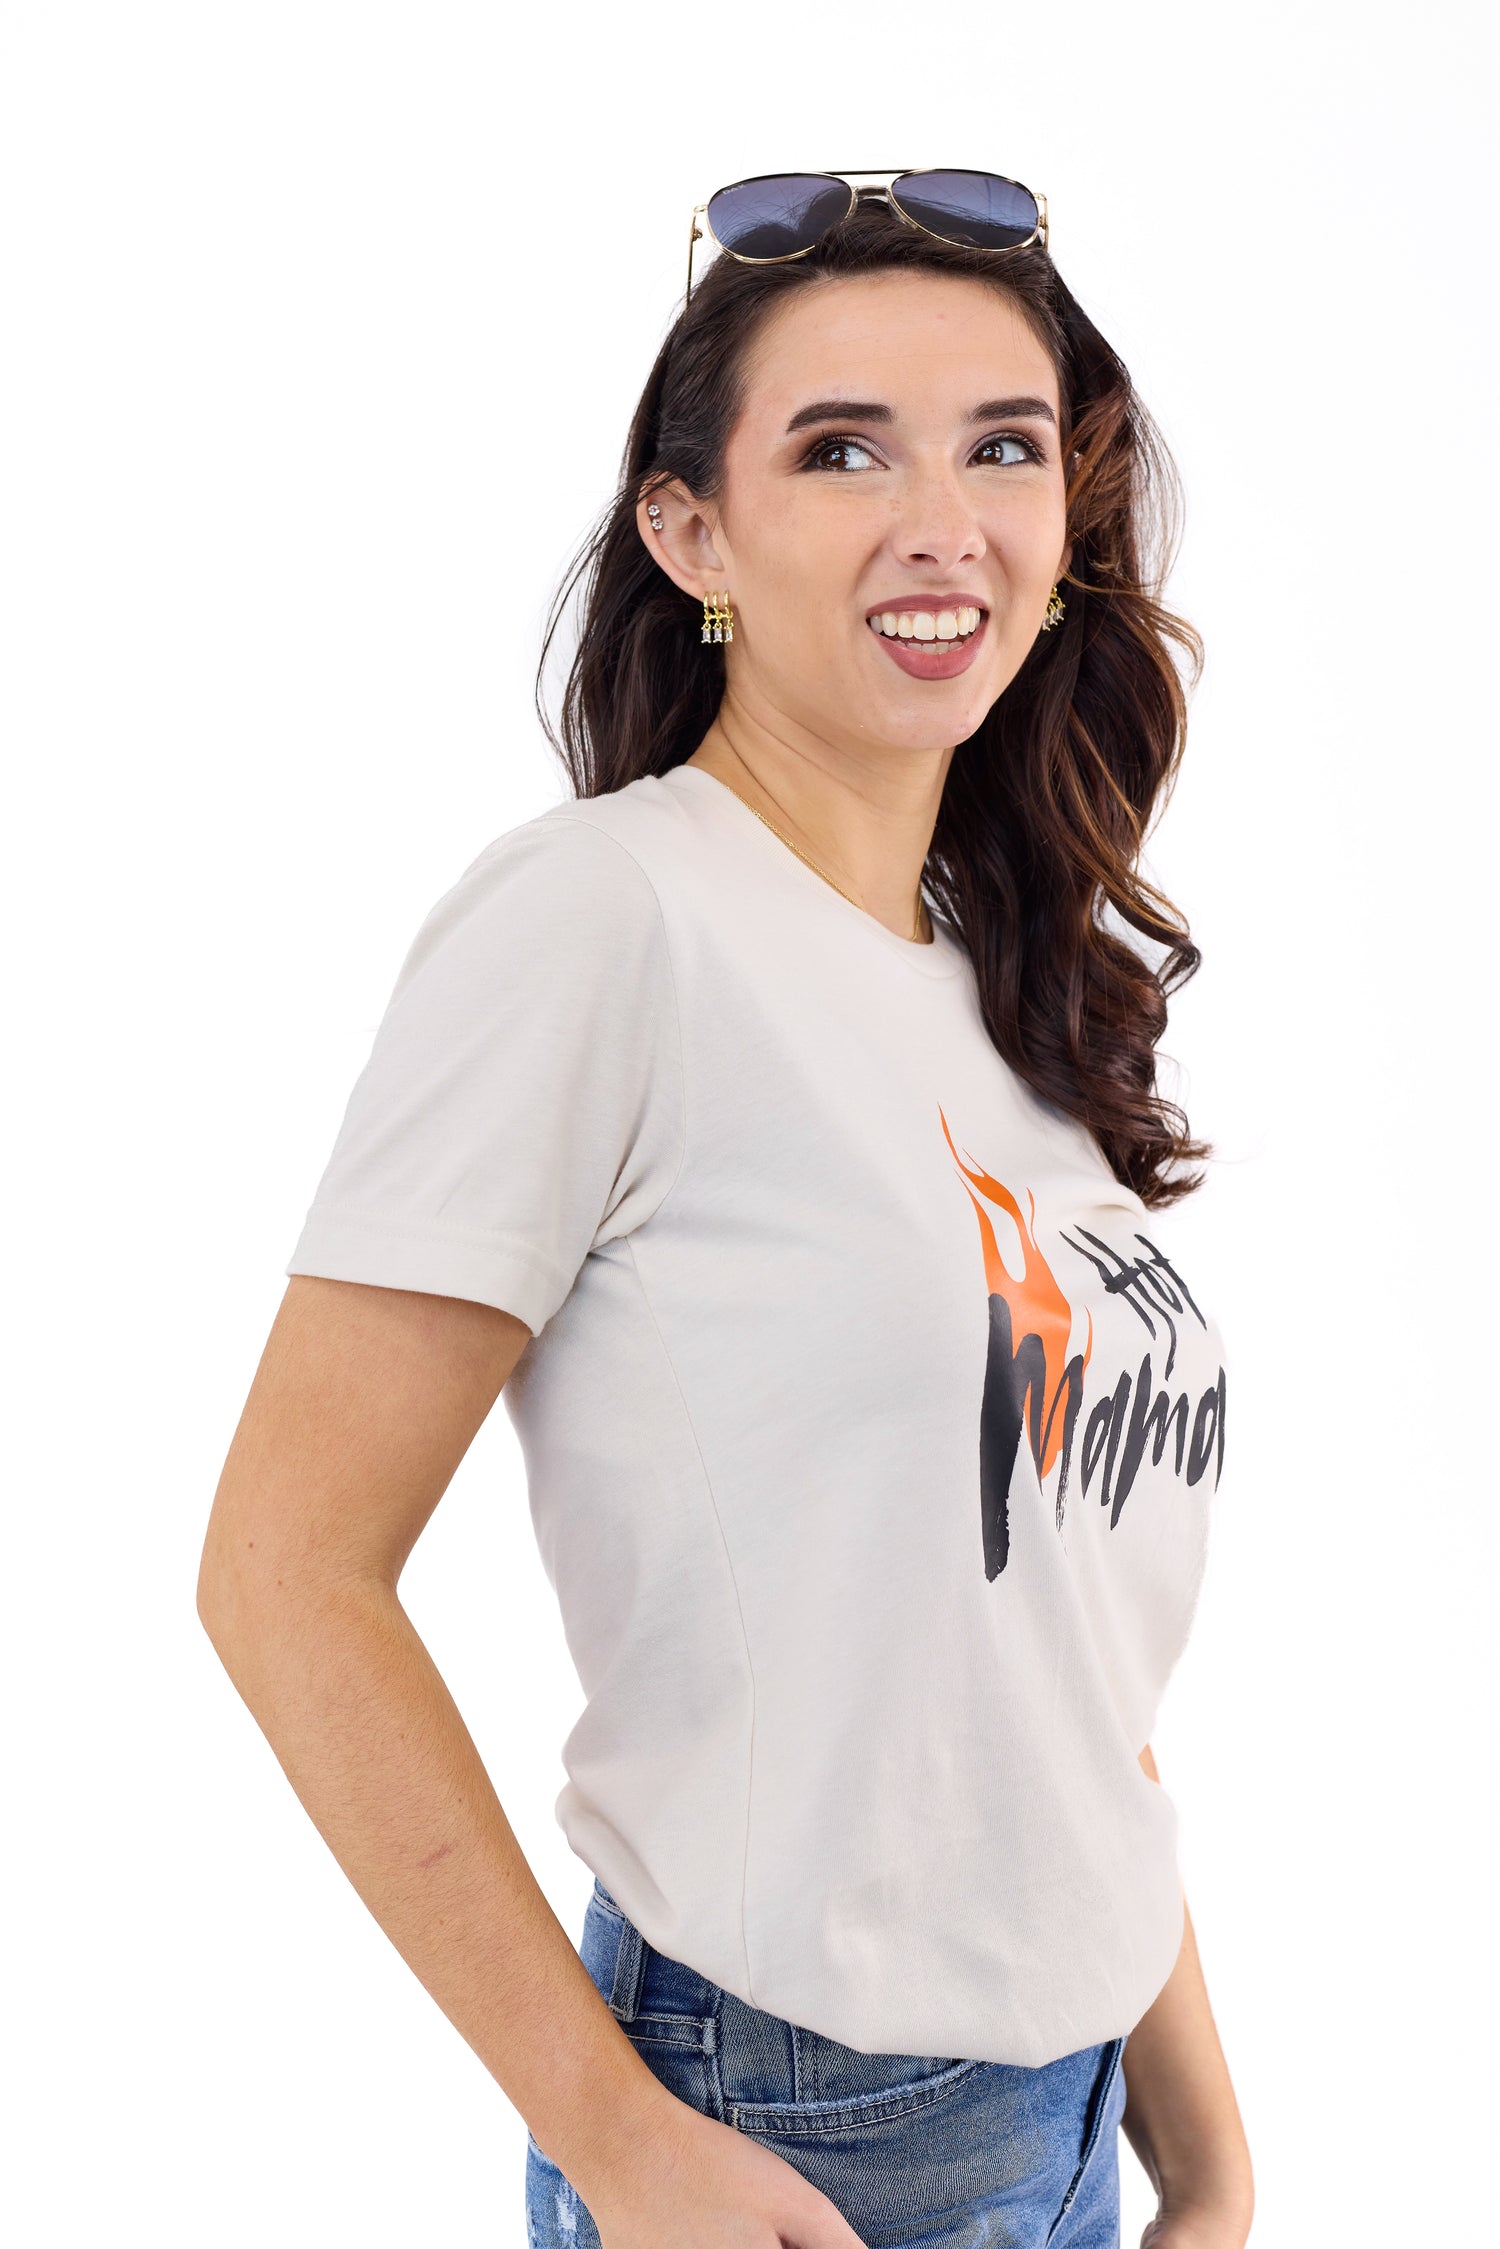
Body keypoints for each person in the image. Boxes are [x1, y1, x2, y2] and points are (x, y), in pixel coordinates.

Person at [198, 171, 1254, 2249]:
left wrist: (1206, 2152)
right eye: (843, 450)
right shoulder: (606, 921)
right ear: (690, 534)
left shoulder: (1009, 982)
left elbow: (1049, 1669)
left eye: (1003, 449)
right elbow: (283, 1569)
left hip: (1077, 2136)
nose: (940, 521)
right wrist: (617, 2136)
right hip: (792, 2134)